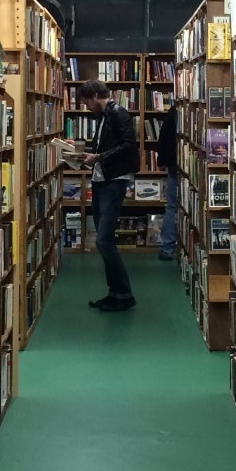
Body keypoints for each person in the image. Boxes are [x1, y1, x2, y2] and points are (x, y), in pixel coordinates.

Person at [79, 79, 139, 311]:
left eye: (86, 102)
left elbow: (128, 145)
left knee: (104, 239)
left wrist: (100, 158)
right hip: (102, 180)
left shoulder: (118, 113)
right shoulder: (104, 117)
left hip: (114, 181)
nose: (86, 107)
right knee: (103, 240)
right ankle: (115, 292)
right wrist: (85, 157)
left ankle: (124, 293)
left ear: (95, 96)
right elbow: (105, 147)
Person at [154, 98, 178, 261]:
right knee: (174, 206)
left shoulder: (174, 112)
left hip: (174, 164)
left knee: (171, 206)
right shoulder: (178, 112)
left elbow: (163, 137)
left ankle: (167, 248)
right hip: (180, 164)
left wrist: (162, 161)